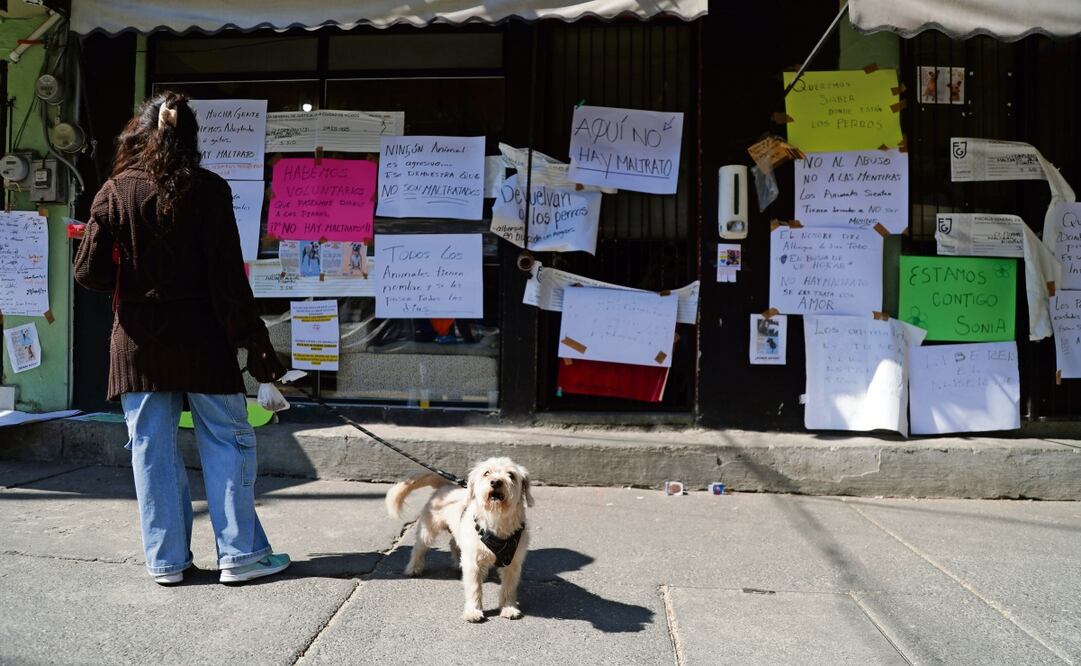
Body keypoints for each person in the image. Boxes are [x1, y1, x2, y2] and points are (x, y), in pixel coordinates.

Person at [73, 92, 290, 586]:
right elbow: (228, 281)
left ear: (137, 135)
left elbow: (86, 271)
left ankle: (167, 562)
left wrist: (132, 282)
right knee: (226, 442)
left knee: (151, 450)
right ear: (191, 138)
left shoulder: (113, 191)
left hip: (137, 344)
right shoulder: (210, 190)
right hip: (205, 342)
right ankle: (240, 556)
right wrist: (254, 342)